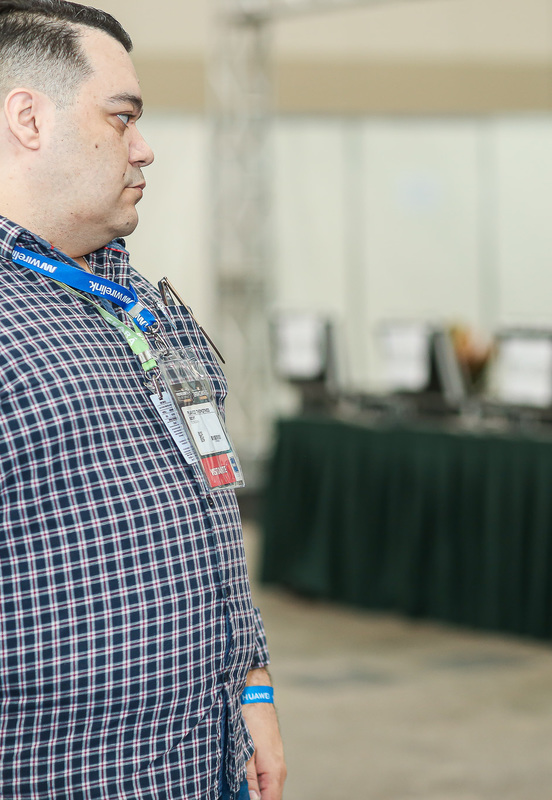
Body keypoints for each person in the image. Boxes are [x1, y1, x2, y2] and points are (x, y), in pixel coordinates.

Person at [0, 2, 285, 798]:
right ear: (28, 119)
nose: (144, 147)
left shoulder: (136, 301)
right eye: (121, 118)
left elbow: (211, 508)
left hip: (202, 762)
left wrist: (252, 684)